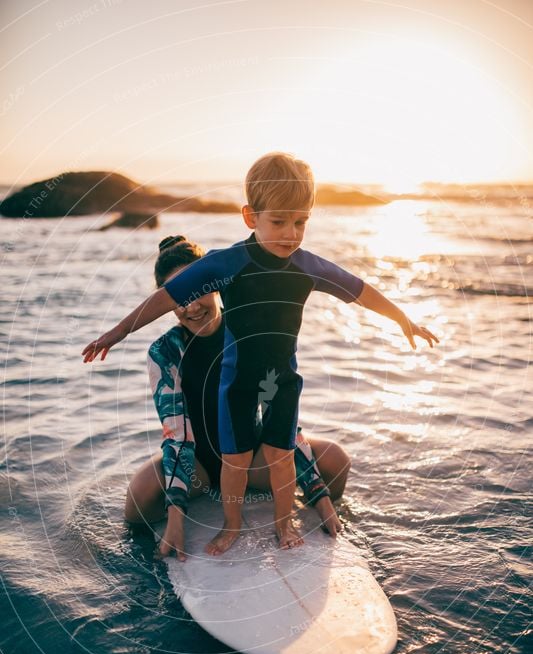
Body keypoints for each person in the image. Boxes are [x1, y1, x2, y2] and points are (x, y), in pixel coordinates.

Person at [83, 152, 439, 556]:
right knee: (192, 479)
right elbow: (165, 299)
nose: (290, 234)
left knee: (288, 455)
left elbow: (358, 290)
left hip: (277, 391)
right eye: (279, 222)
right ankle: (224, 527)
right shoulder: (225, 268)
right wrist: (115, 334)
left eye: (300, 222)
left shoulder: (307, 267)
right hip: (224, 413)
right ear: (251, 217)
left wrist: (402, 318)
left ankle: (285, 523)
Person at [125, 235, 349, 562]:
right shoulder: (165, 352)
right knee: (138, 497)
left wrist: (319, 495)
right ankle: (152, 555)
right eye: (178, 297)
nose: (191, 306)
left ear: (215, 284)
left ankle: (316, 511)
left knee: (336, 460)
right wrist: (176, 515)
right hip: (199, 470)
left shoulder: (247, 330)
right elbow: (176, 434)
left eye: (197, 290)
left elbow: (279, 415)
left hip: (252, 460)